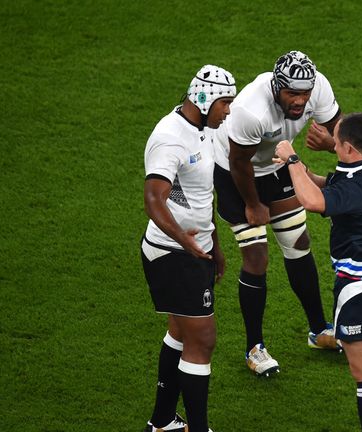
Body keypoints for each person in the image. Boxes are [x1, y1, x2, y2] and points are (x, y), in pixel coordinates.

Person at [273, 112, 362, 432]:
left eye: (335, 141)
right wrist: (302, 170)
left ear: (348, 147)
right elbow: (328, 186)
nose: (331, 144)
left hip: (360, 290)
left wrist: (291, 158)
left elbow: (314, 200)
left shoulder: (356, 188)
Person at [212, 50, 342, 376]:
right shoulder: (250, 111)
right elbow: (239, 162)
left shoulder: (318, 87)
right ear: (277, 86)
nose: (300, 102)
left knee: (298, 244)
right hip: (233, 173)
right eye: (292, 94)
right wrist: (254, 205)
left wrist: (330, 144)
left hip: (277, 163)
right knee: (257, 258)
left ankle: (319, 330)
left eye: (305, 94)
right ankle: (254, 348)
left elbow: (340, 132)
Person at [141, 65, 236, 432]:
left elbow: (200, 196)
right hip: (173, 254)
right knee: (204, 339)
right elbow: (154, 200)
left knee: (181, 333)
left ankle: (162, 421)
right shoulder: (170, 137)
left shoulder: (203, 130)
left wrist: (216, 245)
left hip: (194, 251)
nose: (228, 111)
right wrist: (189, 243)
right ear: (204, 98)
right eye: (224, 102)